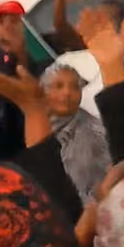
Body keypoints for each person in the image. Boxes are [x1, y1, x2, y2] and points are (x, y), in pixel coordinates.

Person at [41, 64, 110, 203]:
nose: (67, 93)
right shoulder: (32, 126)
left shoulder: (94, 133)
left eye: (75, 87)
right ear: (42, 91)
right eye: (58, 86)